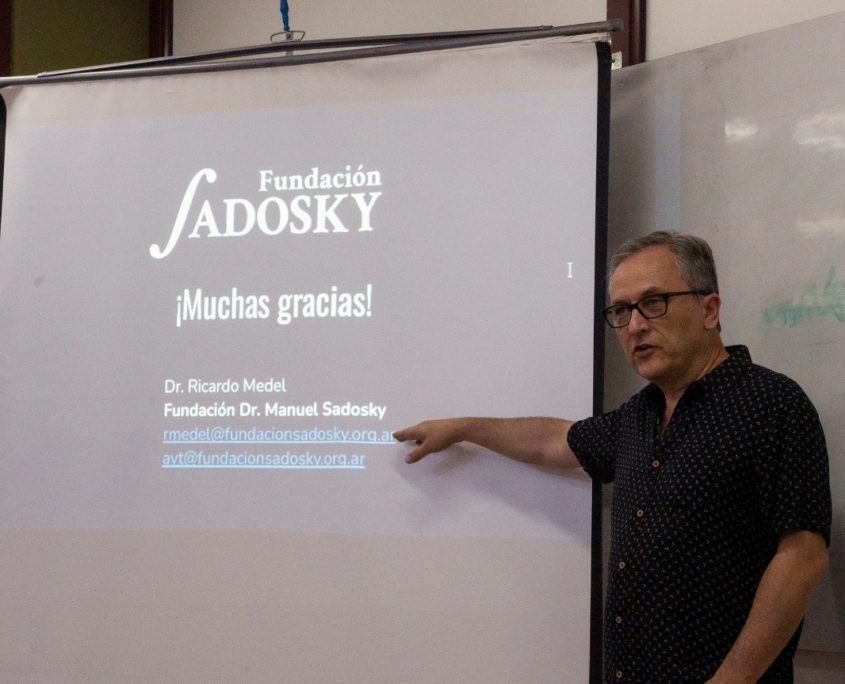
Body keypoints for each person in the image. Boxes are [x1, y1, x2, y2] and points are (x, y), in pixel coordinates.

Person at [394, 231, 831, 684]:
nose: (635, 325)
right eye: (621, 311)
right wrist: (464, 427)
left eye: (654, 302)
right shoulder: (639, 416)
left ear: (709, 309)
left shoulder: (772, 405)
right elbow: (554, 440)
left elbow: (802, 555)